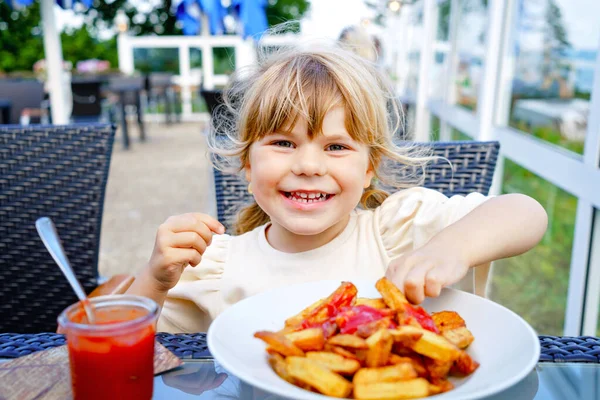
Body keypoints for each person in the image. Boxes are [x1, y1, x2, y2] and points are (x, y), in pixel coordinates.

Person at [126, 41, 548, 333]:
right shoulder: (214, 265)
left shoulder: (396, 231)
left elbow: (526, 213)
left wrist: (448, 250)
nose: (309, 165)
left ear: (370, 170)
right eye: (283, 142)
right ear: (246, 165)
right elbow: (111, 343)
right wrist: (154, 280)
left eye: (336, 146)